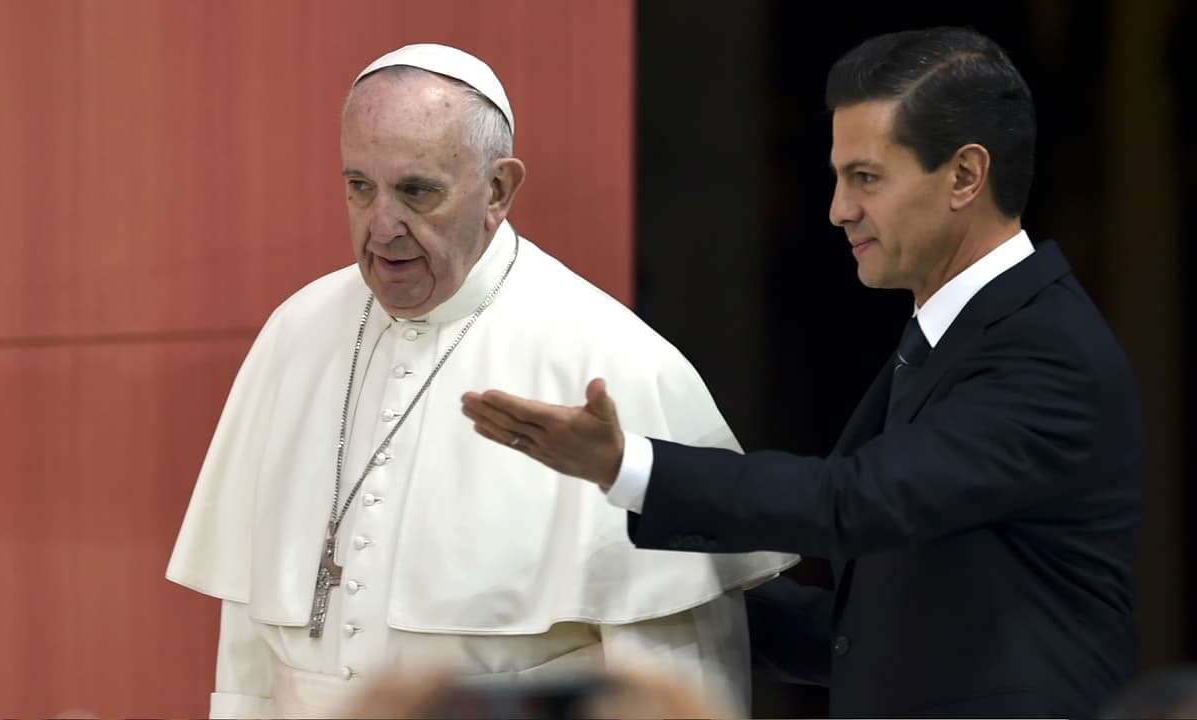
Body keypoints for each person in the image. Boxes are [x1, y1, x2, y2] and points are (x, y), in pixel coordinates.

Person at [462, 27, 1145, 719]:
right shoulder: (949, 338)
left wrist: (627, 464)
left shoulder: (1044, 349)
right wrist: (659, 599)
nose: (838, 209)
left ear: (966, 176)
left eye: (867, 177)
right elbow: (880, 635)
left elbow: (855, 503)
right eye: (839, 176)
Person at [166, 43, 795, 718]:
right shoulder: (296, 335)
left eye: (416, 192)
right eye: (359, 187)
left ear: (497, 188)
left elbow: (678, 673)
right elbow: (246, 652)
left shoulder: (609, 360)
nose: (382, 228)